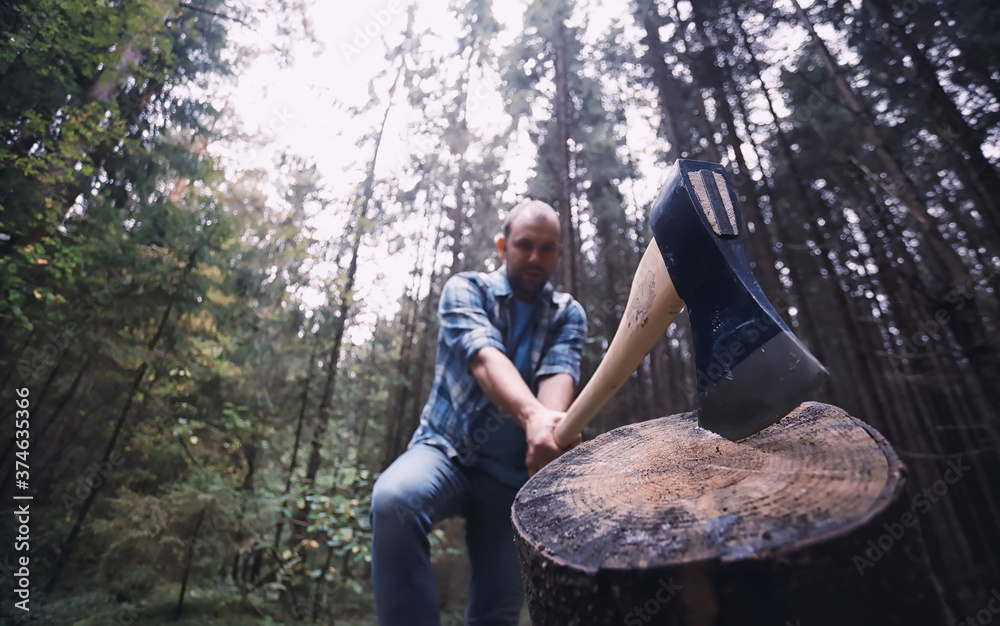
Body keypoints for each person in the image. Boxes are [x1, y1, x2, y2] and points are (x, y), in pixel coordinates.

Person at [370, 200, 587, 625]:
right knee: (394, 502)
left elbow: (559, 375)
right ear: (503, 246)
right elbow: (484, 358)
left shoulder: (567, 314)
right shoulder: (465, 290)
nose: (534, 257)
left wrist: (547, 432)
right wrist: (534, 418)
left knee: (499, 611)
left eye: (547, 249)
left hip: (510, 479)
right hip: (445, 451)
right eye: (525, 245)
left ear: (558, 254)